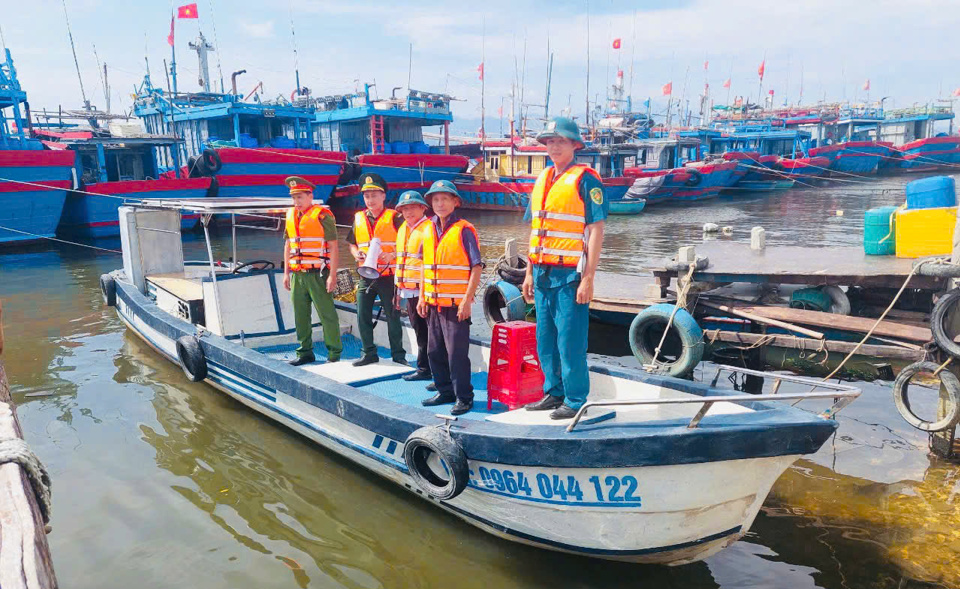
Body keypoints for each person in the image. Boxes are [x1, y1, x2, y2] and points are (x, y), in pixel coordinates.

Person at [521, 117, 607, 420]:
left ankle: (575, 398)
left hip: (569, 275)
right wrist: (529, 273)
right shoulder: (543, 178)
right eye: (550, 142)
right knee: (545, 339)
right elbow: (536, 230)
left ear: (574, 145)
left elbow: (596, 230)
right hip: (542, 274)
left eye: (560, 141)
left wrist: (589, 278)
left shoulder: (586, 179)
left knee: (569, 341)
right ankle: (554, 391)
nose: (554, 146)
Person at [417, 180, 482, 416]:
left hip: (456, 307)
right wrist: (423, 296)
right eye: (436, 199)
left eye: (445, 198)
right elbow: (425, 265)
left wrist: (467, 300)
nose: (440, 203)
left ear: (455, 202)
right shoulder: (427, 229)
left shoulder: (464, 229)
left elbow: (476, 267)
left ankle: (464, 397)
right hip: (434, 303)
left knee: (456, 354)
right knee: (434, 351)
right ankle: (445, 391)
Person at [282, 176, 343, 366]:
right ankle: (304, 352)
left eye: (300, 197)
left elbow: (333, 246)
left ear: (310, 196)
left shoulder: (323, 215)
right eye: (294, 198)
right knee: (300, 315)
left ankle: (334, 354)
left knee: (327, 314)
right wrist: (286, 273)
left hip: (319, 273)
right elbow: (288, 245)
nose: (296, 202)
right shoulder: (290, 215)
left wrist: (332, 275)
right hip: (297, 275)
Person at [347, 173, 406, 366]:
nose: (370, 200)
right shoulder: (358, 218)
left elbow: (408, 243)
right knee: (362, 313)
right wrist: (356, 255)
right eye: (366, 196)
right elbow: (352, 243)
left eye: (374, 195)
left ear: (383, 196)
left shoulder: (395, 218)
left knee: (393, 315)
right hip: (365, 275)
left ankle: (398, 356)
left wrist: (393, 255)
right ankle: (369, 353)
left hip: (388, 276)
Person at [394, 190, 433, 382]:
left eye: (412, 208)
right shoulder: (403, 228)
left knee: (428, 331)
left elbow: (429, 262)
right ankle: (425, 367)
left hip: (423, 290)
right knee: (419, 329)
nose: (408, 212)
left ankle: (430, 369)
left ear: (422, 208)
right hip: (407, 289)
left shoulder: (429, 229)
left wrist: (425, 295)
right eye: (405, 209)